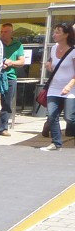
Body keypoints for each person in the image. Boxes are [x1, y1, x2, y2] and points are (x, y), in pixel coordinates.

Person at [40, 21, 75, 152]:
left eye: (57, 32)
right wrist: (49, 66)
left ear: (66, 34)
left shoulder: (73, 51)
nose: (54, 34)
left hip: (70, 89)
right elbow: (52, 63)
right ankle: (56, 143)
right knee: (52, 116)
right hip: (54, 88)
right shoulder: (54, 48)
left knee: (70, 118)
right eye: (54, 32)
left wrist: (68, 86)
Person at [0, 23, 25, 136]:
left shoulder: (17, 45)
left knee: (7, 103)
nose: (3, 34)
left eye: (6, 32)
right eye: (2, 32)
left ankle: (3, 128)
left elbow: (22, 62)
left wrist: (11, 62)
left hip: (10, 77)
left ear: (11, 32)